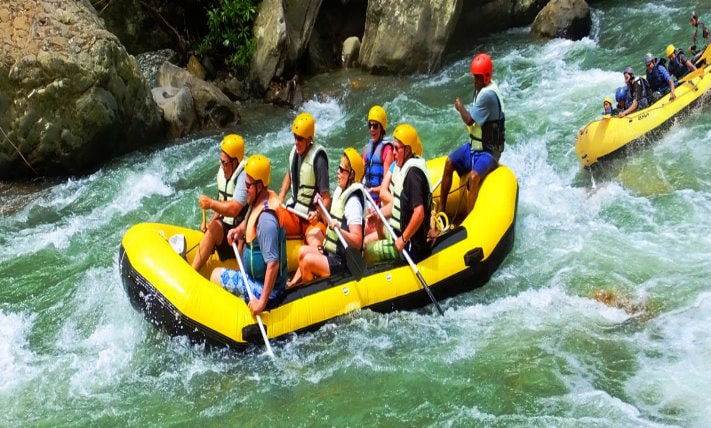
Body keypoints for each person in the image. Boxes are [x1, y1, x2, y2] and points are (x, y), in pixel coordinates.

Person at [210, 155, 288, 316]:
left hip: (266, 289)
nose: (245, 189)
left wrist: (261, 302)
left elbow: (273, 265)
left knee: (215, 275)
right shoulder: (259, 200)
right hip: (254, 277)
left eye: (248, 185)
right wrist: (238, 230)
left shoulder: (267, 220)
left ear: (259, 186)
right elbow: (248, 222)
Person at [290, 148, 367, 286]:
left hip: (343, 261)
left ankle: (311, 292)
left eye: (342, 170)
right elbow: (329, 224)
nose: (338, 172)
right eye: (339, 168)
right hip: (330, 252)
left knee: (307, 261)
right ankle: (293, 285)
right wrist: (321, 210)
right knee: (302, 252)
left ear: (351, 175)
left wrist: (340, 230)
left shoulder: (353, 202)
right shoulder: (340, 192)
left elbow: (357, 241)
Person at [440, 53, 505, 213]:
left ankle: (469, 221)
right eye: (474, 77)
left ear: (486, 77)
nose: (474, 81)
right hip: (474, 147)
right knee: (449, 163)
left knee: (474, 178)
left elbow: (469, 120)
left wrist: (460, 107)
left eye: (478, 77)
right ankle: (441, 207)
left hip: (489, 152)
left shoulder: (488, 95)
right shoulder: (481, 89)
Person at [371, 124, 432, 263]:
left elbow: (419, 213)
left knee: (369, 251)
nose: (393, 152)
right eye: (393, 148)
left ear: (408, 150)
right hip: (399, 235)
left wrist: (403, 239)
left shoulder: (413, 174)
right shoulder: (405, 168)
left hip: (411, 245)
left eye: (397, 148)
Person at [192, 134, 248, 272]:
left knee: (214, 228)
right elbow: (223, 201)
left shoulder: (244, 177)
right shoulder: (223, 171)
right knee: (213, 227)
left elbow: (234, 209)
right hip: (228, 231)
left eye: (225, 163)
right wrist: (211, 221)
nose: (222, 166)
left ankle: (193, 272)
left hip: (242, 235)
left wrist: (210, 203)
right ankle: (193, 272)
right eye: (221, 162)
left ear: (236, 162)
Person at [278, 112, 331, 246]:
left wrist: (318, 215)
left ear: (309, 139)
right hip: (295, 211)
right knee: (269, 217)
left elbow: (326, 199)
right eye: (295, 137)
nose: (296, 142)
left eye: (300, 139)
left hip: (311, 218)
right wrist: (281, 196)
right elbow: (289, 175)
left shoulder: (319, 160)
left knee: (314, 242)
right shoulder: (295, 152)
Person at [362, 105, 394, 206]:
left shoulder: (387, 151)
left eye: (375, 126)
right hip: (366, 197)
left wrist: (373, 190)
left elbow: (386, 185)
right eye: (370, 126)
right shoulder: (367, 149)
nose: (371, 129)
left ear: (382, 128)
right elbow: (360, 176)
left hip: (379, 201)